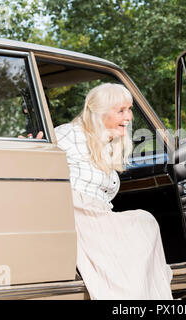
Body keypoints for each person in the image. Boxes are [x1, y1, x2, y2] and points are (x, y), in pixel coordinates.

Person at [54, 83, 173, 300]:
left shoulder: (109, 144)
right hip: (79, 216)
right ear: (98, 112)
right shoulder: (69, 134)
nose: (128, 117)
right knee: (143, 222)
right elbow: (42, 156)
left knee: (144, 222)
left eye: (129, 109)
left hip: (99, 216)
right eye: (121, 110)